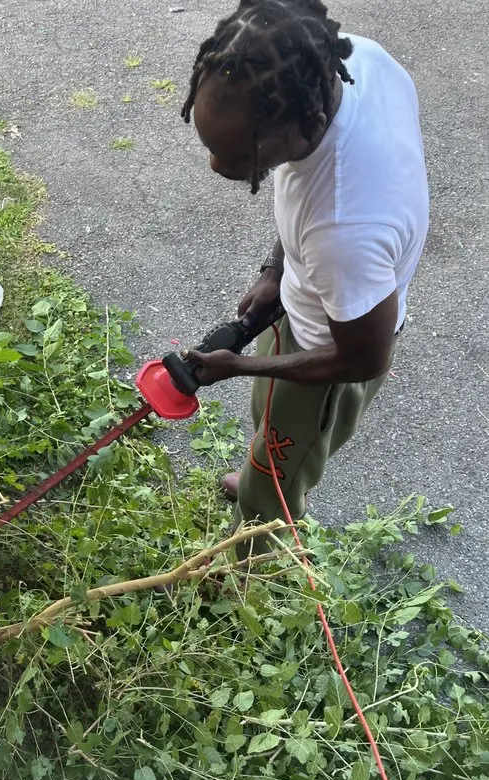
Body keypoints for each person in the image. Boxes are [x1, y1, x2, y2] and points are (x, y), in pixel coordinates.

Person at [180, 0, 429, 549]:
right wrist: (277, 266)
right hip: (318, 300)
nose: (217, 167)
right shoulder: (352, 65)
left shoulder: (347, 230)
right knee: (270, 424)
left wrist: (239, 363)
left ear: (308, 121)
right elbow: (310, 191)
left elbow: (364, 357)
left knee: (279, 471)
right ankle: (261, 473)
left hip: (335, 353)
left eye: (236, 154)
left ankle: (249, 554)